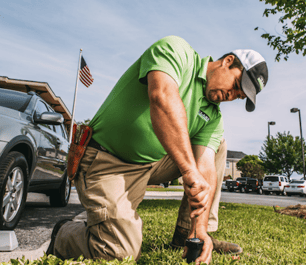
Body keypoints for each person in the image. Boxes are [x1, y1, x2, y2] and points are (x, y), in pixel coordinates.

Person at [47, 35, 268, 265]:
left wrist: (200, 226)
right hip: (106, 161)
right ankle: (63, 234)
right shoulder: (176, 51)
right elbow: (161, 98)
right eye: (235, 85)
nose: (231, 96)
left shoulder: (213, 115)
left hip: (149, 165)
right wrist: (188, 171)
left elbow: (205, 169)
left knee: (217, 146)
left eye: (238, 96)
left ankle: (190, 235)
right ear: (227, 61)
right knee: (122, 254)